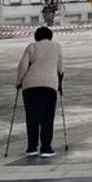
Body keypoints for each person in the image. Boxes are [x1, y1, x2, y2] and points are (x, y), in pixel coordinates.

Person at [15, 26, 63, 157]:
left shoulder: (32, 47)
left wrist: (19, 82)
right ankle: (46, 148)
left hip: (30, 86)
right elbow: (60, 69)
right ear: (50, 36)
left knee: (32, 118)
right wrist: (60, 85)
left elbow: (23, 66)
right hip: (49, 86)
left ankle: (31, 148)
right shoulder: (56, 47)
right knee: (47, 117)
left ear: (36, 36)